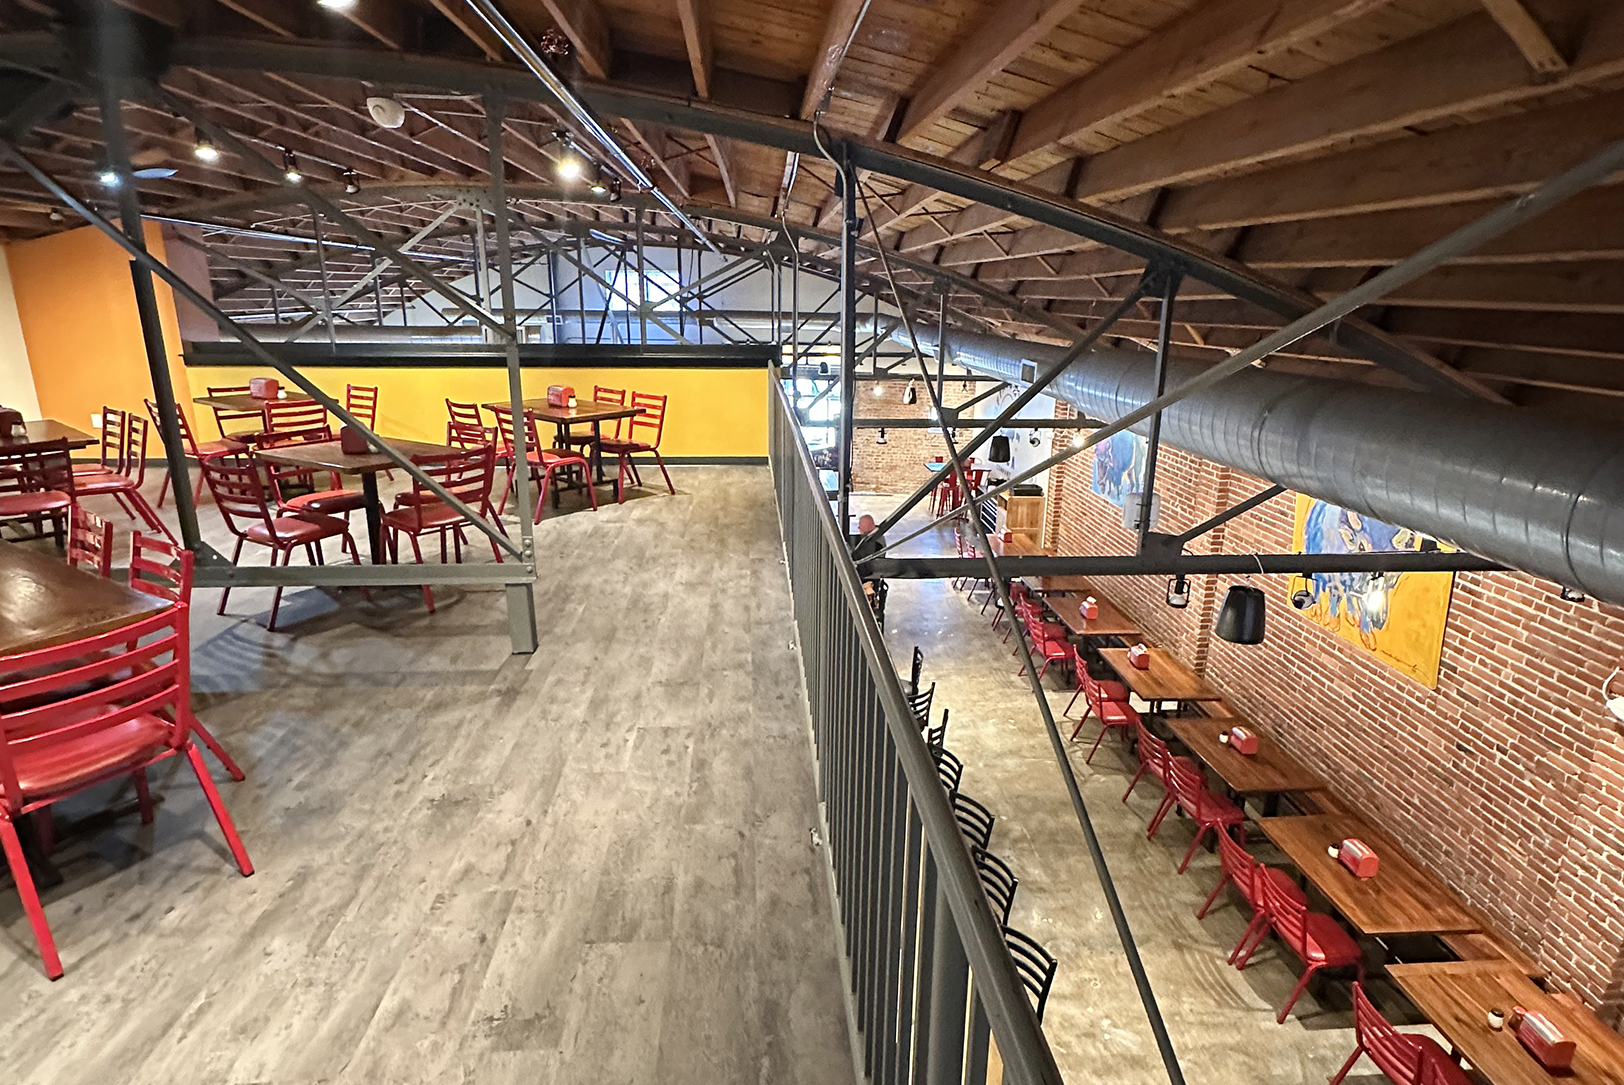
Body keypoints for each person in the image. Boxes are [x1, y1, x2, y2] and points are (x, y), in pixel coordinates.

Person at [852, 514, 888, 620]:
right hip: (874, 577)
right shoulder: (880, 539)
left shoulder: (869, 544)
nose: (858, 529)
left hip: (867, 578)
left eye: (860, 527)